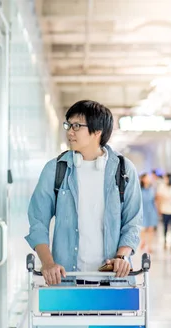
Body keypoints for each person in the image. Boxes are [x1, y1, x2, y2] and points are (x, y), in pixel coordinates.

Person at [25, 100, 143, 285]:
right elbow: (38, 221)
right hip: (66, 280)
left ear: (98, 131)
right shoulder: (56, 169)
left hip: (112, 281)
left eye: (77, 126)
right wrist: (47, 263)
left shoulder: (124, 170)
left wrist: (121, 257)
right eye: (69, 125)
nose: (70, 131)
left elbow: (133, 222)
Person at [140, 173, 159, 254]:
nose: (149, 179)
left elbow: (155, 200)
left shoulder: (152, 189)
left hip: (151, 210)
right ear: (143, 179)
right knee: (143, 229)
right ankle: (143, 241)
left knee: (151, 229)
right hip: (142, 210)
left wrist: (158, 210)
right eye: (147, 178)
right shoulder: (139, 189)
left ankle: (149, 246)